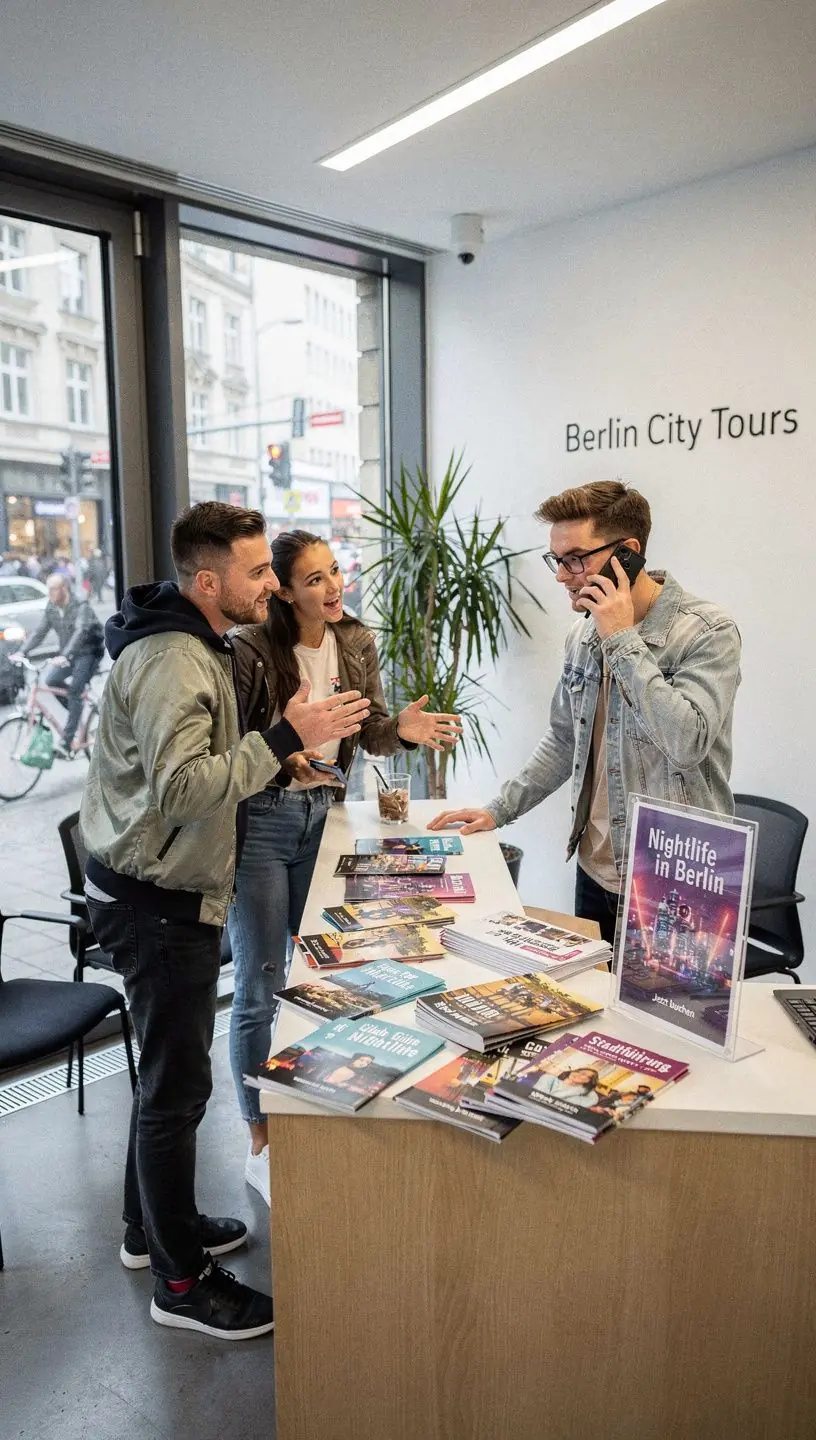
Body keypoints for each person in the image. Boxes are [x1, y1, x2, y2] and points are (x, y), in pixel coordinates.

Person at [79, 502, 370, 1341]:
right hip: (157, 901)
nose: (272, 585)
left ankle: (151, 1230)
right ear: (208, 582)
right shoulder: (175, 657)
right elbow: (181, 790)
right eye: (257, 572)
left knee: (166, 1081)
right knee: (176, 1093)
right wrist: (283, 735)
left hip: (157, 888)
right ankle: (180, 1282)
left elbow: (193, 772)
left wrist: (281, 745)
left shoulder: (189, 640)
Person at [230, 528, 462, 1203]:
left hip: (324, 817)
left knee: (325, 967)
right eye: (314, 580)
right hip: (266, 822)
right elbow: (240, 744)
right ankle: (261, 1131)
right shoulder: (252, 649)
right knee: (261, 981)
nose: (333, 588)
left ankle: (321, 1106)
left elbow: (374, 729)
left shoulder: (355, 641)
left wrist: (406, 732)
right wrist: (288, 755)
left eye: (334, 572)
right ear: (283, 590)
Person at [429, 480, 742, 946]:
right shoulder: (582, 634)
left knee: (666, 1018)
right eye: (557, 560)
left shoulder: (706, 633)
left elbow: (687, 742)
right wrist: (499, 810)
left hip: (674, 881)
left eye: (576, 558)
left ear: (628, 554)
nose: (562, 575)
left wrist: (621, 639)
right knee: (599, 1012)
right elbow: (563, 740)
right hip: (596, 868)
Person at [20, 572, 105, 757]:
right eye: (48, 589)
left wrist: (65, 655)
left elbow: (81, 631)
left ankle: (66, 741)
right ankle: (76, 711)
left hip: (89, 652)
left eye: (53, 589)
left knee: (75, 689)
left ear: (64, 588)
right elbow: (40, 632)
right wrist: (22, 651)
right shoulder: (51, 607)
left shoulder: (81, 605)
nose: (49, 593)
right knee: (51, 679)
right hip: (71, 654)